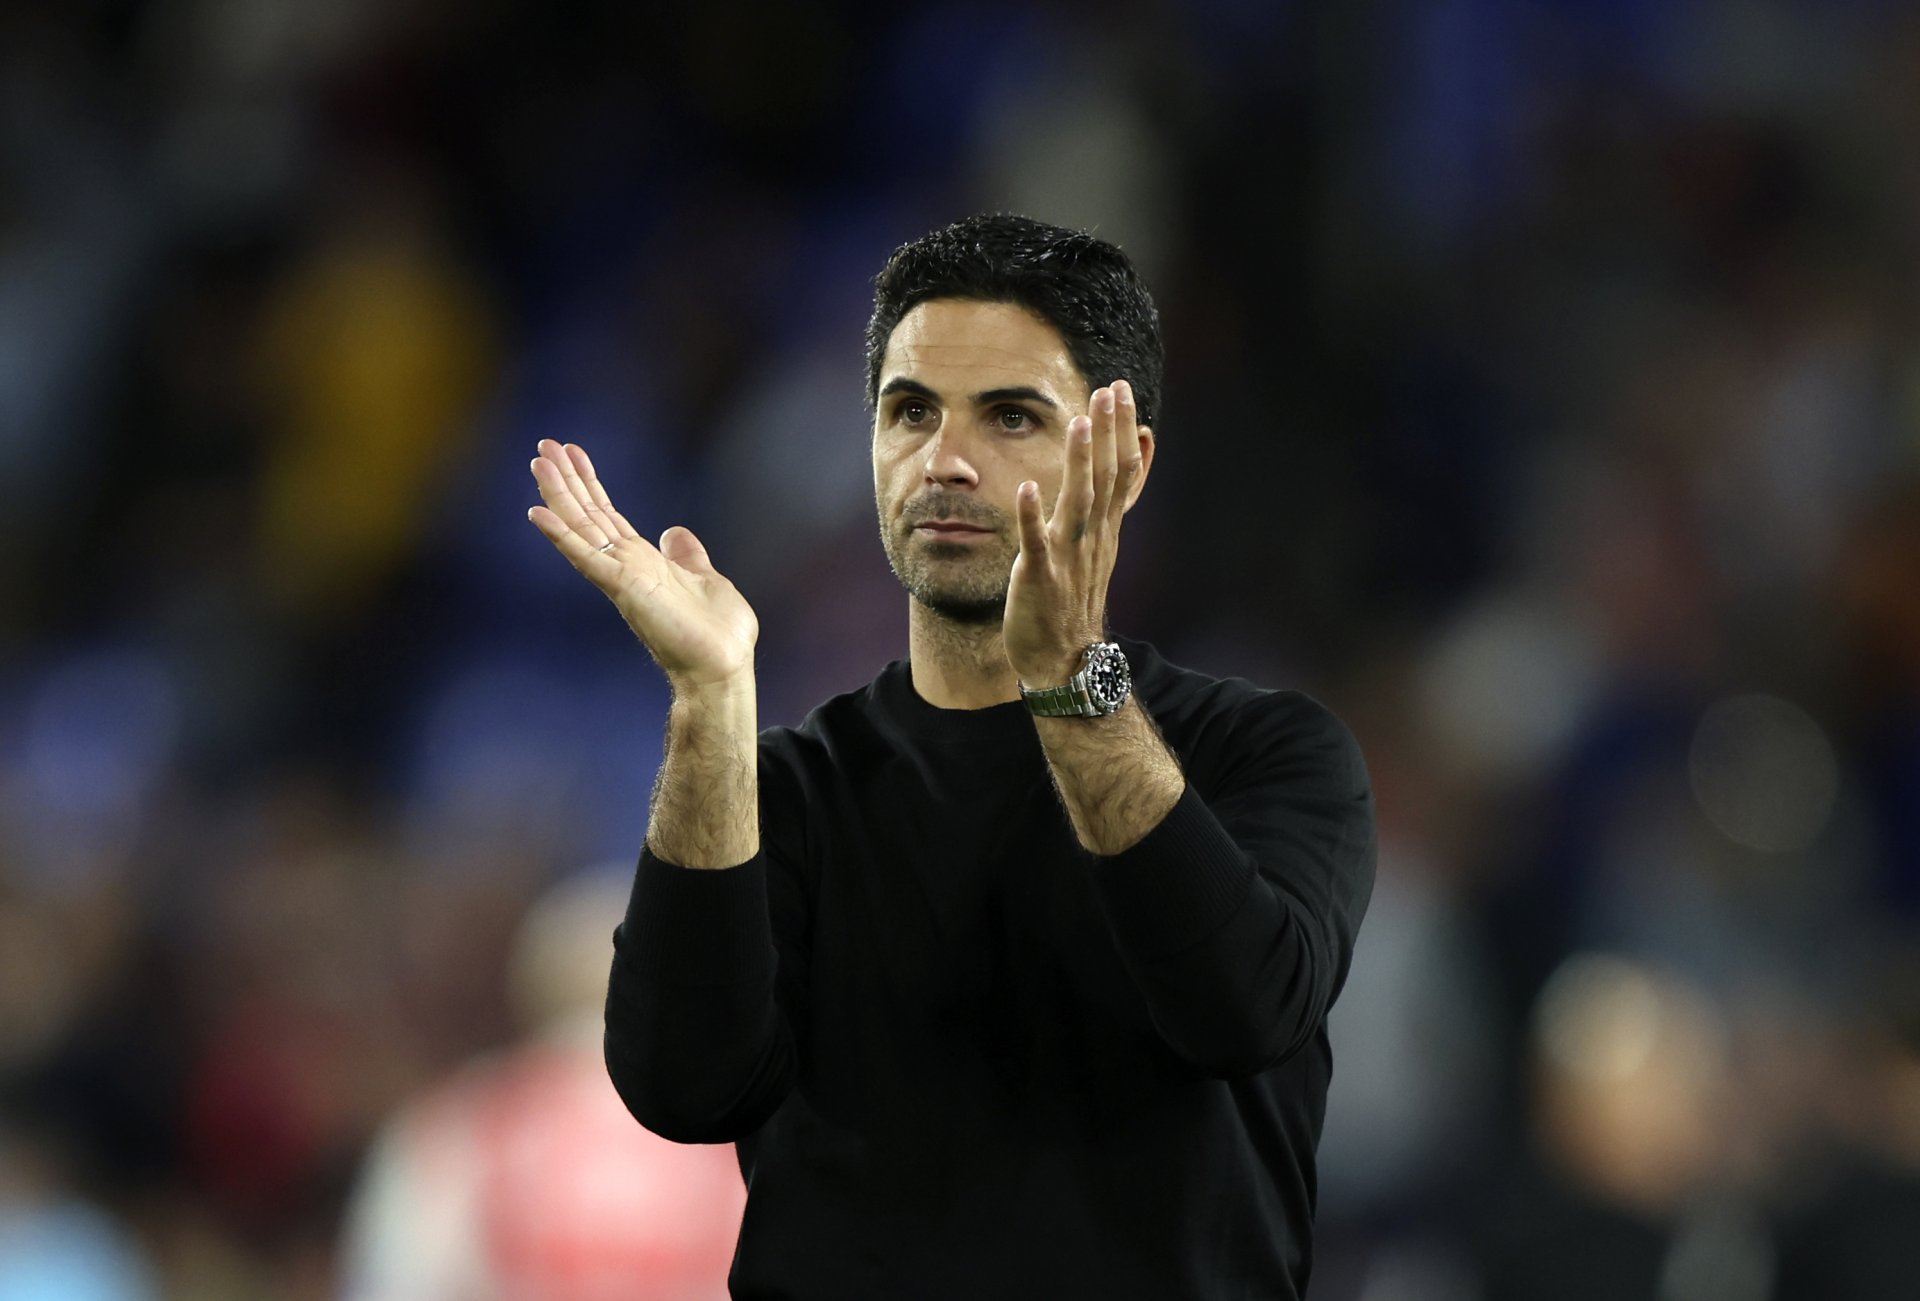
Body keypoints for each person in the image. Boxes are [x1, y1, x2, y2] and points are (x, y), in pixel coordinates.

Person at [526, 213, 1376, 1300]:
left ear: (1125, 462)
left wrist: (1068, 674)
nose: (946, 461)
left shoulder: (1267, 752)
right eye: (911, 411)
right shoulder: (783, 788)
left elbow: (1240, 1008)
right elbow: (682, 1089)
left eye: (1011, 415)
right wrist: (710, 698)